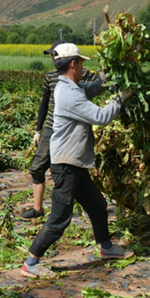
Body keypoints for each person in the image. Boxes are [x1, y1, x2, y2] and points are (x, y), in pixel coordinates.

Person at [21, 43, 133, 279]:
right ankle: (31, 262)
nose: (83, 67)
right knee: (60, 218)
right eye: (81, 63)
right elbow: (101, 117)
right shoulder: (70, 94)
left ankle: (106, 247)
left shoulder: (69, 87)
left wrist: (106, 74)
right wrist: (121, 99)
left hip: (75, 164)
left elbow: (90, 89)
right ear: (73, 64)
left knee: (97, 206)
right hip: (66, 166)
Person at [19, 40, 104, 221]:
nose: (52, 58)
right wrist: (38, 129)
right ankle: (38, 208)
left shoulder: (82, 74)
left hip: (70, 128)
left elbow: (97, 87)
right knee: (38, 168)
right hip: (51, 126)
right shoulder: (50, 77)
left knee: (72, 173)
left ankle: (80, 208)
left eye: (54, 54)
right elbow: (44, 104)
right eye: (51, 55)